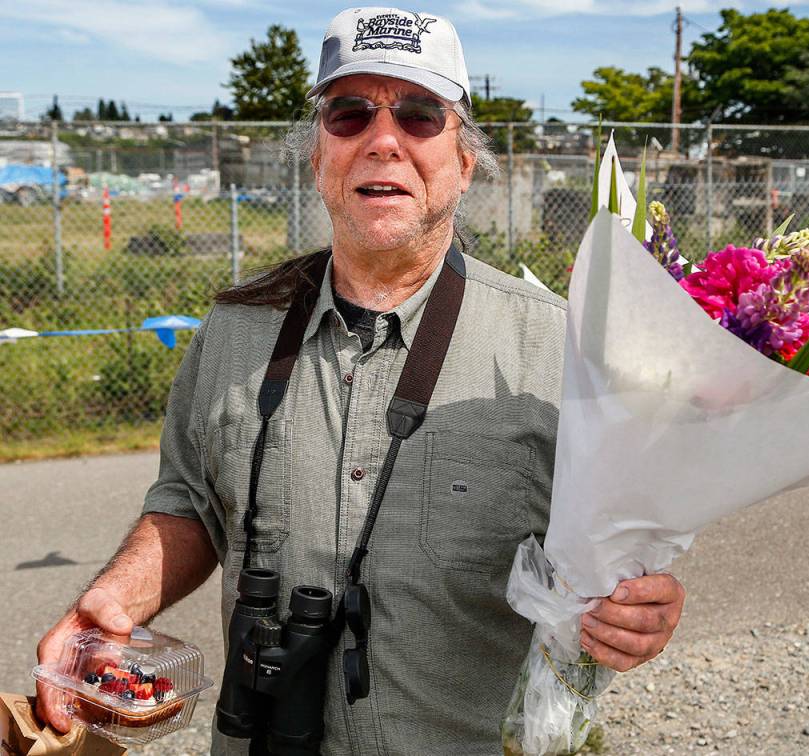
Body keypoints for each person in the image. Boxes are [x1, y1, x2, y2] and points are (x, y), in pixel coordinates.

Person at [36, 7, 686, 754]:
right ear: (317, 156)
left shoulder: (558, 346)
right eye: (349, 114)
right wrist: (112, 599)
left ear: (465, 161)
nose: (383, 140)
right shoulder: (234, 330)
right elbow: (190, 502)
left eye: (418, 114)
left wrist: (642, 606)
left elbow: (615, 554)